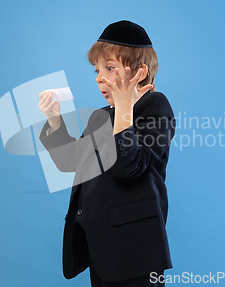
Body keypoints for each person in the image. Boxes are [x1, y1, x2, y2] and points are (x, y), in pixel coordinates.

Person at [38, 20, 175, 286]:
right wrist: (55, 122)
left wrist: (125, 108)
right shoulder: (101, 117)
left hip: (135, 247)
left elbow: (128, 165)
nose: (100, 77)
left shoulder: (155, 106)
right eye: (97, 70)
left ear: (139, 72)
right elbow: (71, 162)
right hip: (101, 244)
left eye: (109, 68)